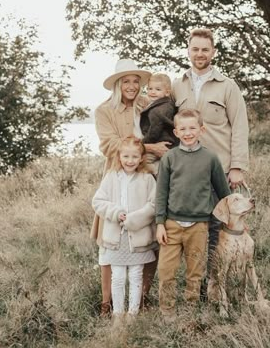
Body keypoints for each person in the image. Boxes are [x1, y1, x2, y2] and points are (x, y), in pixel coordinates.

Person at [94, 59, 170, 315]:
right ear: (117, 84)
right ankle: (107, 301)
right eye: (126, 81)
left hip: (147, 177)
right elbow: (109, 144)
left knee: (148, 237)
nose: (131, 86)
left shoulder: (147, 106)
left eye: (136, 81)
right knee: (109, 239)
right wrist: (147, 148)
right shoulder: (105, 111)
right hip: (118, 176)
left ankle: (143, 296)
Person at [172, 28, 249, 272]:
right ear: (188, 51)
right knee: (192, 227)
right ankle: (196, 283)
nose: (200, 54)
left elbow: (240, 126)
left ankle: (216, 283)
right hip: (187, 171)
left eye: (205, 49)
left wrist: (237, 167)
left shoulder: (228, 86)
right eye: (195, 49)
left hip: (219, 169)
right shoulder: (178, 85)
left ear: (213, 52)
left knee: (218, 225)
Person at [155, 109, 231, 316]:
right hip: (171, 225)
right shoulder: (169, 158)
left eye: (192, 128)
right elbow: (161, 193)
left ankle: (191, 310)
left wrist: (231, 220)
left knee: (195, 271)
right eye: (183, 129)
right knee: (166, 271)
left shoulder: (210, 158)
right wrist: (160, 223)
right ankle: (167, 312)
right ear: (176, 132)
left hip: (198, 226)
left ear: (201, 130)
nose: (188, 133)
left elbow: (225, 194)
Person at [92, 137, 157, 321]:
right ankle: (118, 314)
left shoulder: (147, 179)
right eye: (126, 156)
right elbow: (98, 201)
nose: (130, 161)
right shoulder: (111, 177)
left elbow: (154, 205)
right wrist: (116, 212)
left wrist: (134, 219)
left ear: (141, 158)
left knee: (136, 275)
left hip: (137, 237)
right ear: (119, 157)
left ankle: (133, 313)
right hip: (116, 238)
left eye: (134, 156)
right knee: (118, 277)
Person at [140, 72, 178, 175]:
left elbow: (154, 130)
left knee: (141, 162)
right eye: (150, 89)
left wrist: (143, 143)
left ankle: (159, 175)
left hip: (162, 142)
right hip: (170, 143)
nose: (152, 92)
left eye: (158, 89)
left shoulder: (157, 110)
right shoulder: (166, 104)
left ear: (167, 92)